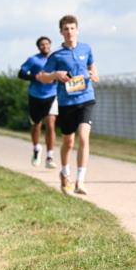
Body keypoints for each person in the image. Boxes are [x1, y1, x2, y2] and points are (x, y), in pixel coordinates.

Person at [36, 15, 98, 195]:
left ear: (77, 30)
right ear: (61, 32)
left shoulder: (86, 48)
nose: (69, 32)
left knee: (84, 137)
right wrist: (55, 74)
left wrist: (93, 74)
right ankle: (64, 173)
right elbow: (42, 76)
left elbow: (93, 67)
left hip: (86, 98)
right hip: (66, 102)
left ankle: (80, 181)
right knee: (69, 142)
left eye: (72, 28)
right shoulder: (56, 55)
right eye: (66, 29)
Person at [18, 36, 59, 169]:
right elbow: (21, 73)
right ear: (38, 47)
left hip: (52, 95)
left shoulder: (57, 59)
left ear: (50, 45)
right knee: (36, 125)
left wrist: (60, 79)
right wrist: (34, 77)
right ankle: (36, 149)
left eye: (47, 44)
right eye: (42, 44)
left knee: (51, 124)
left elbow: (66, 73)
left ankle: (50, 156)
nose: (45, 46)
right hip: (35, 96)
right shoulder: (33, 60)